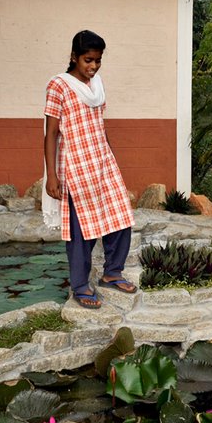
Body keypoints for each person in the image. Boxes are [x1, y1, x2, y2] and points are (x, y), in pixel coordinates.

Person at [43, 29, 137, 309]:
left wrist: (111, 157)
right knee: (81, 228)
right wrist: (52, 175)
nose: (93, 66)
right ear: (74, 57)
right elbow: (50, 133)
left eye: (97, 60)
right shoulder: (58, 85)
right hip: (74, 163)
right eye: (88, 60)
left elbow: (99, 124)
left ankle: (112, 272)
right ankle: (81, 286)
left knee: (120, 217)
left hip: (101, 159)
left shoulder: (97, 85)